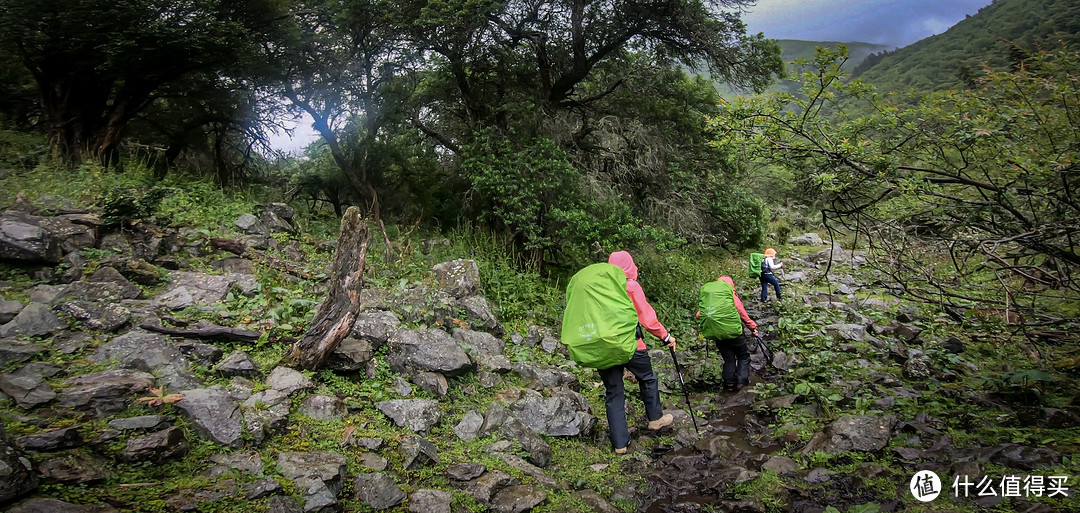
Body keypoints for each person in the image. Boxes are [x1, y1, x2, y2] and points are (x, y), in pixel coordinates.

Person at [602, 251, 676, 454]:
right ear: (629, 265)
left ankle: (619, 444)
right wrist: (666, 336)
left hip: (604, 347)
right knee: (648, 378)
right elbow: (647, 318)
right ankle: (655, 419)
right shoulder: (630, 286)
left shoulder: (600, 288)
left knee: (613, 393)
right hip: (632, 345)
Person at [697, 276, 759, 392]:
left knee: (729, 359)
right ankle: (741, 383)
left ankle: (729, 384)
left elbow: (699, 315)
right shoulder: (730, 296)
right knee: (743, 356)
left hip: (717, 334)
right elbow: (742, 313)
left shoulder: (712, 299)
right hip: (734, 332)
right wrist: (752, 327)